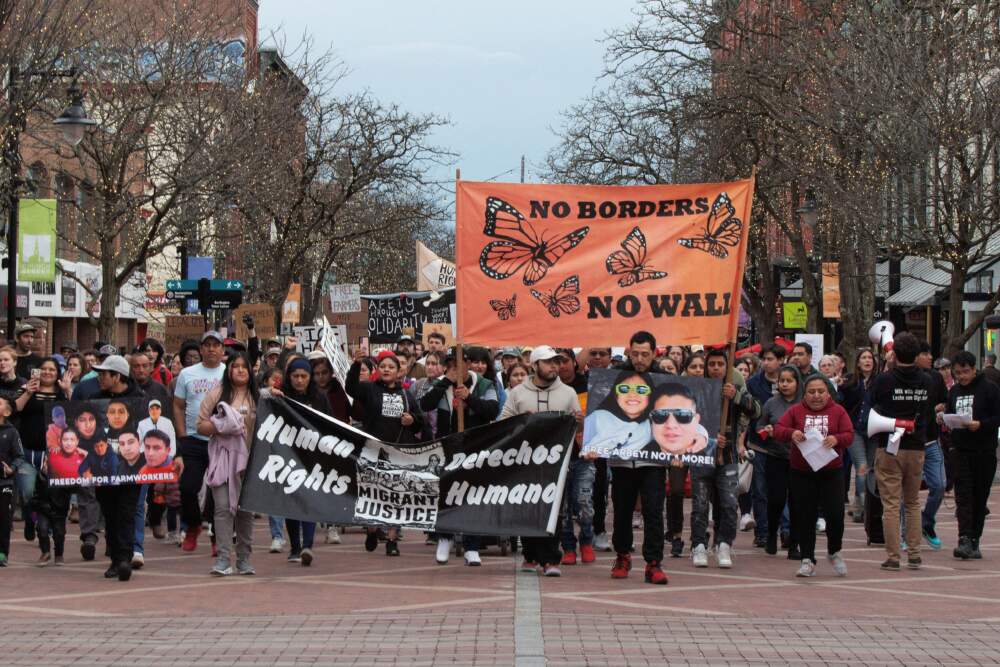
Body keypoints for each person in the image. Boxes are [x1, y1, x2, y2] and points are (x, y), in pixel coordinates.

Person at [499, 345, 581, 577]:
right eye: (548, 362)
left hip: (556, 465)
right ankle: (531, 556)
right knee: (526, 508)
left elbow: (577, 427)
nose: (554, 366)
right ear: (534, 365)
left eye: (556, 362)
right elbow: (504, 422)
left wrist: (578, 421)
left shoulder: (568, 393)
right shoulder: (517, 393)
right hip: (524, 464)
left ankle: (551, 559)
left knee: (553, 511)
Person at [419, 348, 499, 565]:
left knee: (473, 496)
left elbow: (492, 410)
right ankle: (445, 538)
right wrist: (446, 381)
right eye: (451, 366)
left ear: (468, 364)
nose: (455, 369)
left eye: (459, 365)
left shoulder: (484, 385)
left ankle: (472, 546)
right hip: (448, 448)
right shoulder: (442, 384)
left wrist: (469, 398)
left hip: (476, 448)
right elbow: (425, 404)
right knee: (446, 494)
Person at [773, 374, 853, 577]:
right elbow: (778, 429)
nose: (816, 396)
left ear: (828, 393)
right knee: (804, 516)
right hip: (802, 473)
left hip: (831, 472)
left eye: (820, 391)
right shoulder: (795, 411)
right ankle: (807, 559)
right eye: (811, 392)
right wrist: (791, 433)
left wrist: (836, 439)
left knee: (835, 515)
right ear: (804, 394)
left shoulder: (838, 411)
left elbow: (849, 435)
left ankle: (834, 551)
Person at [346, 350, 424, 557]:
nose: (387, 370)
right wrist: (356, 364)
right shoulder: (369, 389)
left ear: (399, 372)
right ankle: (372, 530)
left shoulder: (406, 394)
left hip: (399, 451)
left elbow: (420, 421)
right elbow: (351, 388)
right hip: (373, 451)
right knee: (373, 495)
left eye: (391, 367)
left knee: (396, 497)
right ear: (378, 370)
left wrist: (412, 420)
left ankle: (392, 540)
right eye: (383, 366)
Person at [868, 331, 932, 571]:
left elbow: (872, 400)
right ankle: (915, 554)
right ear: (916, 355)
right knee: (913, 502)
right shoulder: (928, 380)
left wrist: (887, 366)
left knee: (891, 504)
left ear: (894, 354)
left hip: (889, 446)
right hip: (916, 447)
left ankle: (893, 556)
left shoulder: (884, 380)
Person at [690, 348, 759, 570]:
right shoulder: (696, 389)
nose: (716, 368)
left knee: (729, 504)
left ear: (727, 367)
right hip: (701, 456)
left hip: (728, 456)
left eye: (720, 364)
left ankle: (724, 545)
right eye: (712, 364)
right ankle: (699, 545)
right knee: (700, 504)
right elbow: (685, 421)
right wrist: (709, 438)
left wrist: (736, 396)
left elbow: (756, 411)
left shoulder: (735, 387)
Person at [198, 352, 258, 576]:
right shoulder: (216, 394)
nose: (240, 370)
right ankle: (223, 559)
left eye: (244, 366)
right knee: (223, 508)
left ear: (250, 370)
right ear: (229, 370)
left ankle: (244, 559)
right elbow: (200, 425)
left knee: (246, 511)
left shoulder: (259, 396)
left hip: (251, 462)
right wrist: (222, 424)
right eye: (235, 366)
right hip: (222, 461)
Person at [90, 355, 147, 581]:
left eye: (104, 374)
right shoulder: (96, 400)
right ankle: (115, 558)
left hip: (131, 470)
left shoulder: (140, 399)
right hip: (104, 470)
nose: (100, 378)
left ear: (117, 376)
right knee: (110, 514)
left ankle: (124, 559)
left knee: (126, 512)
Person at [942, 351, 1000, 560]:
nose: (962, 376)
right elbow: (950, 412)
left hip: (984, 451)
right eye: (958, 373)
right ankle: (964, 538)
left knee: (979, 497)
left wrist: (981, 424)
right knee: (963, 496)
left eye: (965, 372)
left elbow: (997, 417)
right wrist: (945, 419)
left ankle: (975, 539)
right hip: (960, 450)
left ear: (974, 369)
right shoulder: (954, 391)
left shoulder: (989, 389)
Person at [274, 357, 332, 564]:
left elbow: (330, 424)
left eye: (304, 376)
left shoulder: (320, 398)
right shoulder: (281, 396)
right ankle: (295, 547)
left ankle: (307, 546)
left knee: (309, 500)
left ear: (310, 377)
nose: (299, 380)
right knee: (292, 501)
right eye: (295, 376)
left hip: (312, 457)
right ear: (289, 377)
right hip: (287, 456)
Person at [172, 332, 226, 553]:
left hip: (221, 440)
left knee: (218, 492)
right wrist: (182, 435)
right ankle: (193, 525)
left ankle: (216, 537)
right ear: (201, 349)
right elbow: (178, 406)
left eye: (216, 345)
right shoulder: (187, 374)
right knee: (187, 488)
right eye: (207, 345)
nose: (211, 349)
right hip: (193, 439)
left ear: (222, 350)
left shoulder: (229, 372)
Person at [14, 357, 72, 546]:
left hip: (53, 453)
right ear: (38, 371)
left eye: (52, 369)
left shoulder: (61, 393)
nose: (48, 372)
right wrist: (28, 392)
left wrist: (67, 391)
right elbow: (15, 409)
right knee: (27, 492)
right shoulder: (27, 389)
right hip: (27, 451)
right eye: (44, 369)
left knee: (50, 495)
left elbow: (73, 414)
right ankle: (30, 518)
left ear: (57, 373)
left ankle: (43, 529)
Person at [758, 364, 803, 558]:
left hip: (800, 460)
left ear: (797, 382)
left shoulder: (805, 403)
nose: (784, 384)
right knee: (776, 499)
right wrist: (766, 430)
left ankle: (794, 544)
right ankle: (771, 534)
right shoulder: (771, 403)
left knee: (797, 501)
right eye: (781, 381)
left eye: (789, 381)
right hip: (776, 457)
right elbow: (759, 426)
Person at [745, 344, 786, 547]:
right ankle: (762, 531)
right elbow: (747, 412)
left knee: (782, 490)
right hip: (759, 443)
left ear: (781, 360)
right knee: (760, 490)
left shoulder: (789, 380)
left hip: (784, 445)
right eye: (764, 359)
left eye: (770, 359)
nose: (766, 363)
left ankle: (785, 530)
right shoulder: (753, 383)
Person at [915, 342, 949, 549]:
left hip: (931, 440)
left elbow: (945, 400)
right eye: (924, 353)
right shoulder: (903, 377)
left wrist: (940, 408)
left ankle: (927, 522)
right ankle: (905, 532)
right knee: (907, 491)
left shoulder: (936, 377)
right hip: (909, 443)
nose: (929, 357)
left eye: (929, 353)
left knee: (939, 485)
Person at [840, 349, 878, 524]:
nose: (867, 360)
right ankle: (862, 507)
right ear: (858, 362)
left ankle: (862, 505)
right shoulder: (850, 381)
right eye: (864, 358)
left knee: (870, 470)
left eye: (870, 358)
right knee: (861, 468)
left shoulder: (879, 381)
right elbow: (840, 399)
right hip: (855, 430)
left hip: (874, 430)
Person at [0, 394, 24, 567]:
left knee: (3, 519)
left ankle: (2, 553)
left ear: (7, 412)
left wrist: (12, 469)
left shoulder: (11, 432)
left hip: (4, 483)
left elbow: (19, 456)